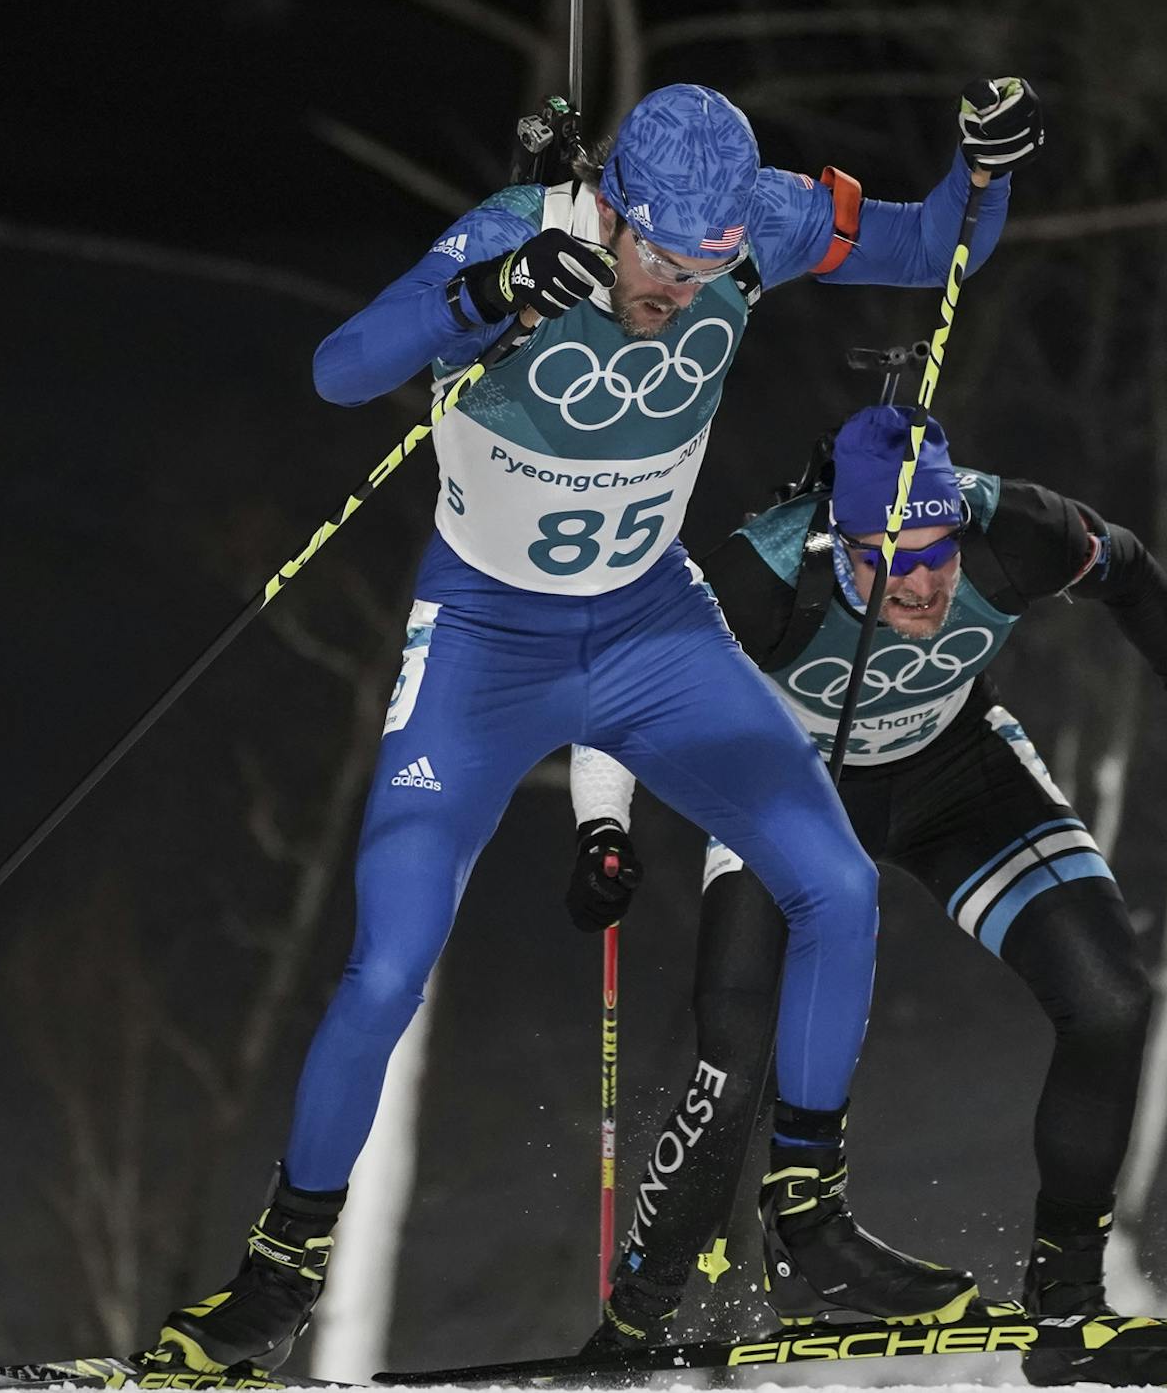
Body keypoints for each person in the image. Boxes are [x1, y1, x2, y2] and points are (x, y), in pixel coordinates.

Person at [147, 81, 1047, 1375]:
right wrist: (487, 293)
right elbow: (340, 369)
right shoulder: (521, 232)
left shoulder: (761, 223)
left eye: (714, 265)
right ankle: (283, 1270)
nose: (684, 289)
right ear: (615, 214)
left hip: (649, 635)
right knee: (388, 963)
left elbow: (931, 245)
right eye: (665, 265)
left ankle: (808, 1227)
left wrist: (985, 173)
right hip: (483, 649)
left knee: (839, 886)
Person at [565, 404, 1167, 1386]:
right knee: (733, 1065)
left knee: (1110, 995)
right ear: (843, 545)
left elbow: (1123, 566)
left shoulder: (1011, 528)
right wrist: (602, 830)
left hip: (956, 775)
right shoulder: (766, 571)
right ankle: (639, 1323)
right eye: (891, 562)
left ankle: (1068, 1305)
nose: (921, 584)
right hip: (793, 789)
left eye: (937, 554)